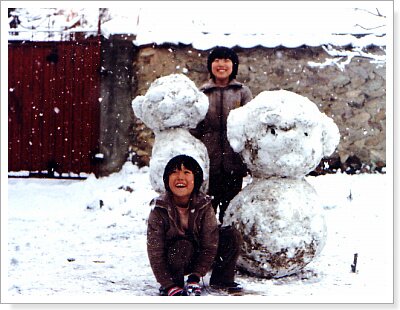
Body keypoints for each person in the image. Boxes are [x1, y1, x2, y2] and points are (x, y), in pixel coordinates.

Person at [147, 155, 243, 296]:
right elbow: (155, 252)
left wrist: (195, 277)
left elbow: (210, 245)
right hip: (175, 257)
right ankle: (174, 284)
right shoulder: (159, 208)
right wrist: (167, 284)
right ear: (167, 179)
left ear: (195, 179)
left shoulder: (203, 204)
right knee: (181, 246)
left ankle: (221, 280)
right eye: (174, 172)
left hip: (199, 255)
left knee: (230, 235)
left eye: (186, 173)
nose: (180, 177)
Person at [190, 46, 253, 224]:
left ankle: (227, 248)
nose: (221, 64)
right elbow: (194, 128)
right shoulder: (202, 94)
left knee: (230, 211)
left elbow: (250, 124)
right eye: (217, 60)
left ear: (233, 65)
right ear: (210, 65)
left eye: (226, 60)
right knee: (206, 210)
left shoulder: (242, 92)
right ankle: (208, 248)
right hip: (208, 162)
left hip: (234, 163)